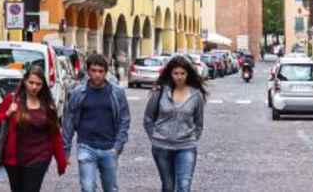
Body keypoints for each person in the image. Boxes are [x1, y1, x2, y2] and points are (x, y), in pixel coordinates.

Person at [0, 65, 68, 192]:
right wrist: (7, 113)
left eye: (38, 84)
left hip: (40, 157)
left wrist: (61, 161)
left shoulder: (48, 105)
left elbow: (55, 135)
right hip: (14, 159)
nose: (34, 87)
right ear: (24, 81)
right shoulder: (12, 100)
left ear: (43, 85)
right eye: (31, 82)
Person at [61, 52, 130, 192]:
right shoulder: (78, 93)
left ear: (106, 72)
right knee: (87, 187)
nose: (97, 74)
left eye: (100, 71)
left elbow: (124, 119)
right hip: (86, 146)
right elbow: (69, 121)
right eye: (93, 71)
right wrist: (65, 150)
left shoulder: (117, 93)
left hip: (109, 148)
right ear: (88, 71)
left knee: (110, 188)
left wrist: (117, 146)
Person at [144, 55, 205, 192]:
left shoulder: (196, 96)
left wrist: (192, 139)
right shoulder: (160, 92)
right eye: (176, 73)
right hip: (161, 146)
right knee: (168, 186)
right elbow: (148, 118)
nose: (179, 77)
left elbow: (199, 123)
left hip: (186, 146)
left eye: (182, 73)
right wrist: (154, 138)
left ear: (188, 74)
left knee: (184, 186)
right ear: (170, 74)